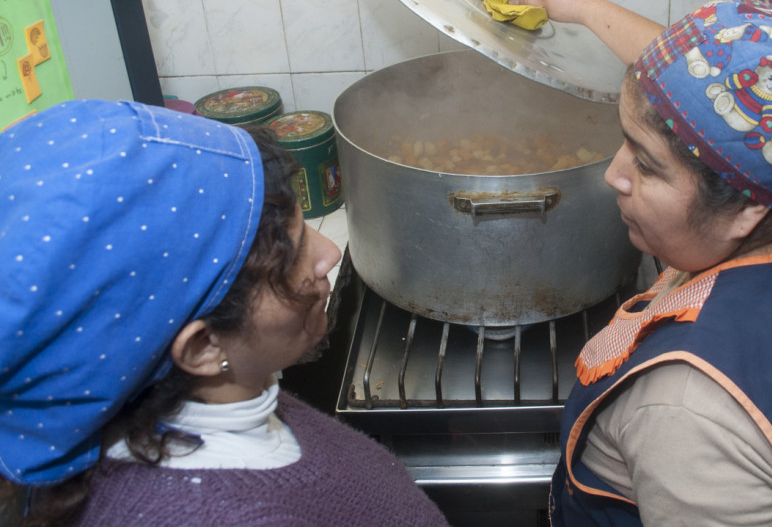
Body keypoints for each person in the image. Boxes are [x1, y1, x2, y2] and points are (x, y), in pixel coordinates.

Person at [511, 0, 772, 527]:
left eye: (645, 164)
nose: (613, 176)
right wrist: (579, 6)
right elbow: (713, 92)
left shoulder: (684, 412)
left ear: (749, 207)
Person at [0, 99, 448, 526]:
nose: (331, 252)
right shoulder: (220, 516)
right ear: (202, 347)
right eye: (292, 260)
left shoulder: (212, 389)